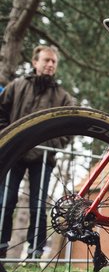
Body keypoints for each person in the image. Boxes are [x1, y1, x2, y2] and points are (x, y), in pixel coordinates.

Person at [0, 45, 74, 259]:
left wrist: (51, 143)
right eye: (46, 60)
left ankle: (35, 251)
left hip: (43, 157)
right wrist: (9, 137)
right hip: (14, 153)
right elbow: (2, 112)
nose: (50, 64)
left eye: (54, 62)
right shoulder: (17, 86)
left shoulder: (62, 96)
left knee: (38, 205)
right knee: (6, 200)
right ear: (35, 62)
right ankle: (1, 247)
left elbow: (71, 127)